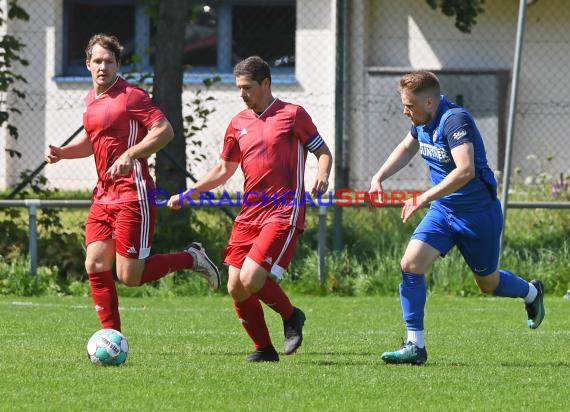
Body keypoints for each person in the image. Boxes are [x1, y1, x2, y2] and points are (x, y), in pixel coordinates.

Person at [44, 34, 220, 332]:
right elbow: (91, 141)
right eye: (97, 61)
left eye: (109, 61)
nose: (103, 67)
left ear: (118, 64)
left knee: (130, 277)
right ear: (88, 64)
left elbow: (164, 131)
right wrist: (63, 153)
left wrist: (131, 153)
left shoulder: (131, 96)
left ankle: (191, 258)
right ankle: (112, 337)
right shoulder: (91, 99)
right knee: (95, 265)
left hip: (132, 195)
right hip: (103, 196)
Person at [368, 71, 545, 365]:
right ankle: (415, 345)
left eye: (409, 105)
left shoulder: (454, 120)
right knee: (410, 264)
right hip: (443, 211)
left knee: (487, 283)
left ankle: (531, 292)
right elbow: (406, 147)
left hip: (478, 216)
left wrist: (423, 197)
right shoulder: (421, 122)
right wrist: (378, 177)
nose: (404, 111)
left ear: (428, 102)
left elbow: (466, 170)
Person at [167, 56, 333, 362]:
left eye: (247, 87)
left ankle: (292, 315)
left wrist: (322, 174)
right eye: (238, 88)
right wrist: (190, 193)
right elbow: (223, 169)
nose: (241, 94)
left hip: (283, 210)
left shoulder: (292, 115)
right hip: (250, 213)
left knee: (252, 278)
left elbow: (323, 152)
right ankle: (265, 349)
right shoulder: (238, 123)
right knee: (235, 286)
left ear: (266, 83)